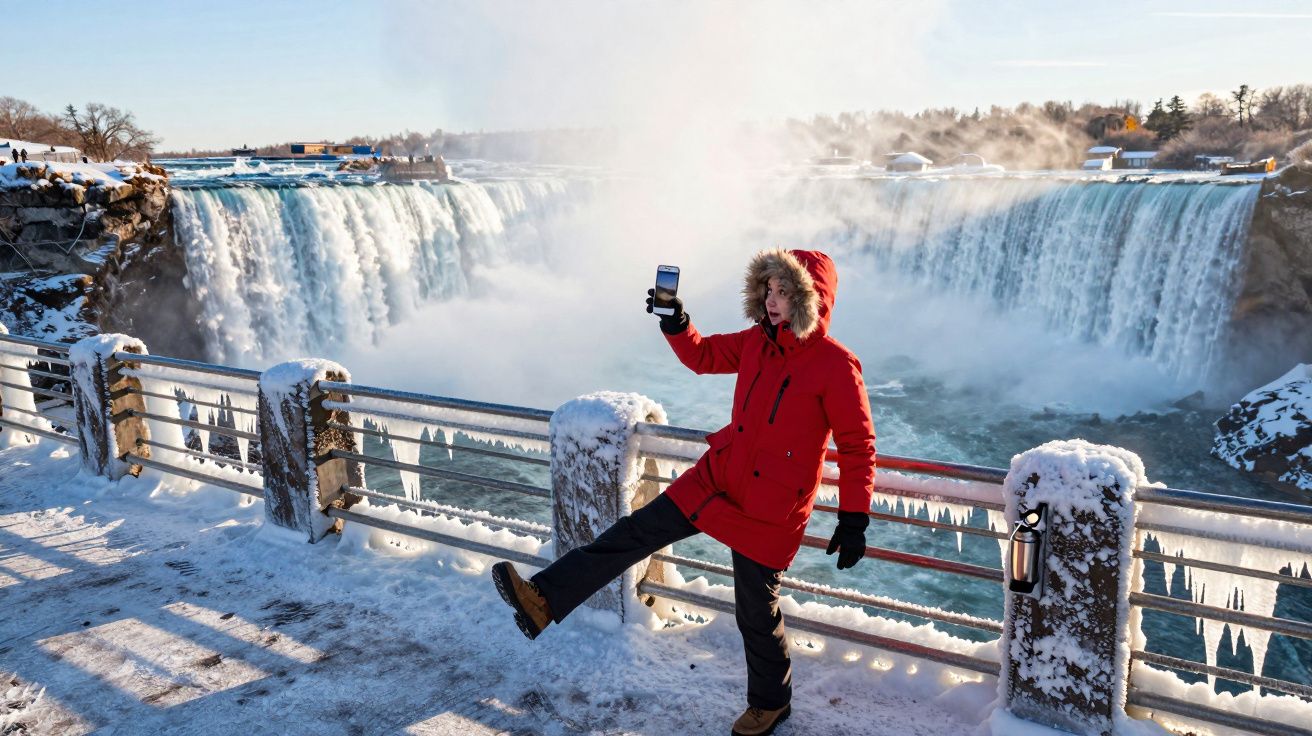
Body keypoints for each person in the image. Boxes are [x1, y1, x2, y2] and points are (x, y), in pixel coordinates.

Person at [492, 248, 876, 736]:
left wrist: (854, 517)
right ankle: (542, 599)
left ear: (811, 299)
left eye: (785, 292)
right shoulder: (757, 342)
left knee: (755, 609)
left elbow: (858, 445)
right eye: (769, 290)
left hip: (772, 506)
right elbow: (705, 355)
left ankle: (771, 702)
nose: (773, 301)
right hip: (720, 476)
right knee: (633, 533)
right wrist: (676, 321)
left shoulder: (836, 365)